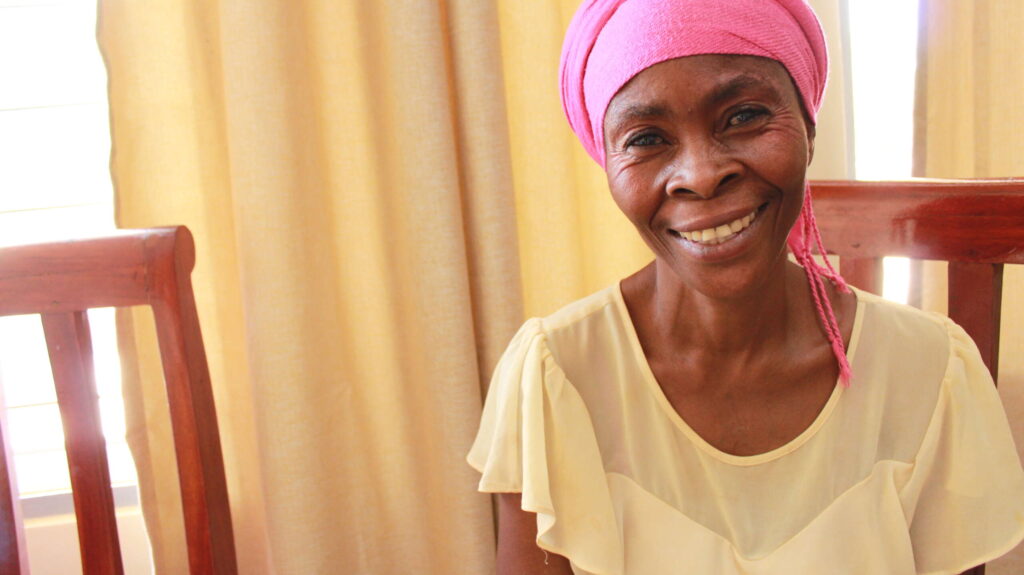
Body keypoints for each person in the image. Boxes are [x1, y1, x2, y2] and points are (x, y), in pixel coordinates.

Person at [468, 0, 1024, 573]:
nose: (702, 174)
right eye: (645, 139)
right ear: (605, 163)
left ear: (808, 122)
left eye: (743, 115)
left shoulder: (931, 371)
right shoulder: (556, 378)